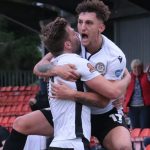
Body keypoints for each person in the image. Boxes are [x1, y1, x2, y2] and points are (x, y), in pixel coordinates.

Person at [3, 1, 131, 150]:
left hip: (103, 114)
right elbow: (38, 68)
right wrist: (57, 69)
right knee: (21, 123)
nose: (82, 27)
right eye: (80, 22)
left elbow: (104, 101)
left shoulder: (115, 56)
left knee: (123, 146)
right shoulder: (74, 41)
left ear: (101, 27)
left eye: (89, 23)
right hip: (75, 110)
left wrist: (72, 94)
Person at [124, 59, 150, 128]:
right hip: (132, 108)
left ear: (142, 68)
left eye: (139, 67)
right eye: (134, 67)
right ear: (132, 68)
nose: (137, 69)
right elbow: (123, 91)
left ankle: (145, 139)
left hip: (145, 108)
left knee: (145, 127)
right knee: (135, 128)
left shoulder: (147, 76)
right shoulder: (128, 77)